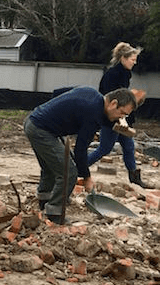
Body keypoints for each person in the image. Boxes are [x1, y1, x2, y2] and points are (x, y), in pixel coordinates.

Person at [24, 86, 136, 224]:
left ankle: (45, 199)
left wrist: (55, 113)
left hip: (36, 121)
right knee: (69, 172)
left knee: (52, 166)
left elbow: (59, 92)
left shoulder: (92, 93)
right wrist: (87, 177)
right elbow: (80, 150)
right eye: (122, 113)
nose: (122, 118)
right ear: (113, 103)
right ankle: (54, 213)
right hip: (41, 130)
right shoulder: (93, 114)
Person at [87, 43, 147, 188]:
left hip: (122, 117)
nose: (135, 62)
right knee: (105, 148)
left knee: (128, 146)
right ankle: (78, 166)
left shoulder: (124, 73)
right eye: (132, 59)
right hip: (112, 117)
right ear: (123, 58)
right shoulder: (112, 74)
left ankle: (134, 177)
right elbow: (110, 97)